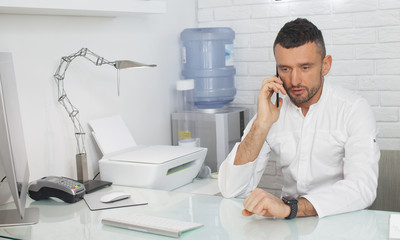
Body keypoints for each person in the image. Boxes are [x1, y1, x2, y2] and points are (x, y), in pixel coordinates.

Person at [218, 18, 380, 219]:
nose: (294, 80)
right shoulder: (272, 110)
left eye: (305, 68)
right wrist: (261, 125)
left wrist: (290, 208)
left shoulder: (354, 109)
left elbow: (362, 188)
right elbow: (230, 189)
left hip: (342, 221)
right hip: (291, 226)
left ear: (326, 65)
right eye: (285, 69)